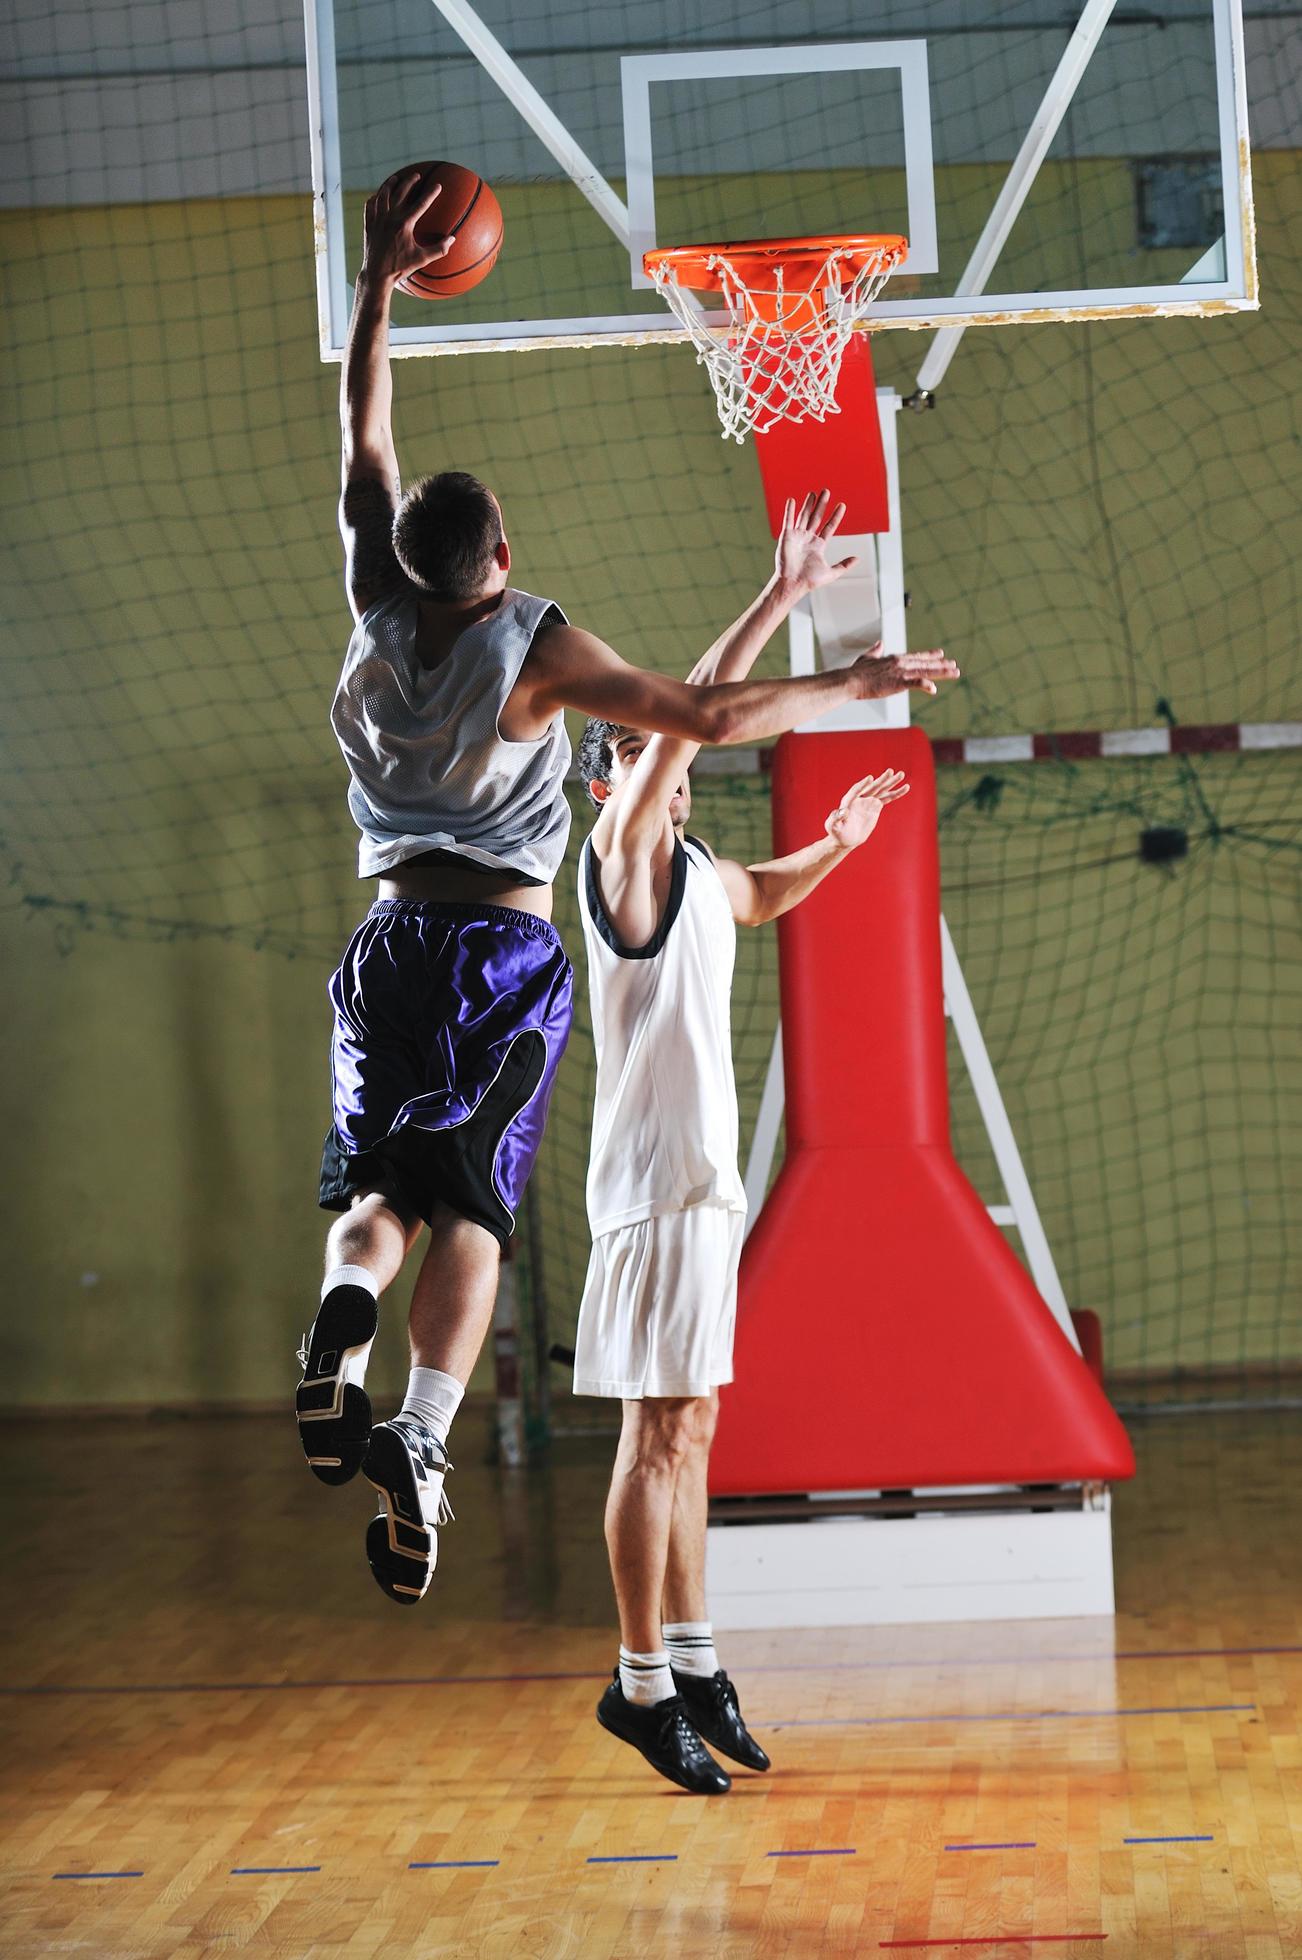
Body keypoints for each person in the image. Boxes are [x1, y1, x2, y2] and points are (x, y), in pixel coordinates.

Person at [296, 165, 959, 1610]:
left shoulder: (370, 604)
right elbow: (702, 724)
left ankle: (344, 1320)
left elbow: (362, 433)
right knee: (467, 1216)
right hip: (495, 955)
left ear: (400, 549)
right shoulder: (538, 665)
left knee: (372, 1196)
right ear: (506, 558)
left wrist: (372, 282)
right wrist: (843, 675)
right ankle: (417, 1422)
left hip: (381, 940)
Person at [575, 490, 952, 1792]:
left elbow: (762, 893)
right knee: (652, 1436)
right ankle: (637, 1683)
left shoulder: (698, 877)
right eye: (640, 751)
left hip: (701, 1194)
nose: (662, 761)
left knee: (692, 1431)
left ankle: (690, 1656)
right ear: (609, 778)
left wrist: (834, 848)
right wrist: (785, 610)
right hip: (645, 1195)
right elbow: (693, 718)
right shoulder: (619, 856)